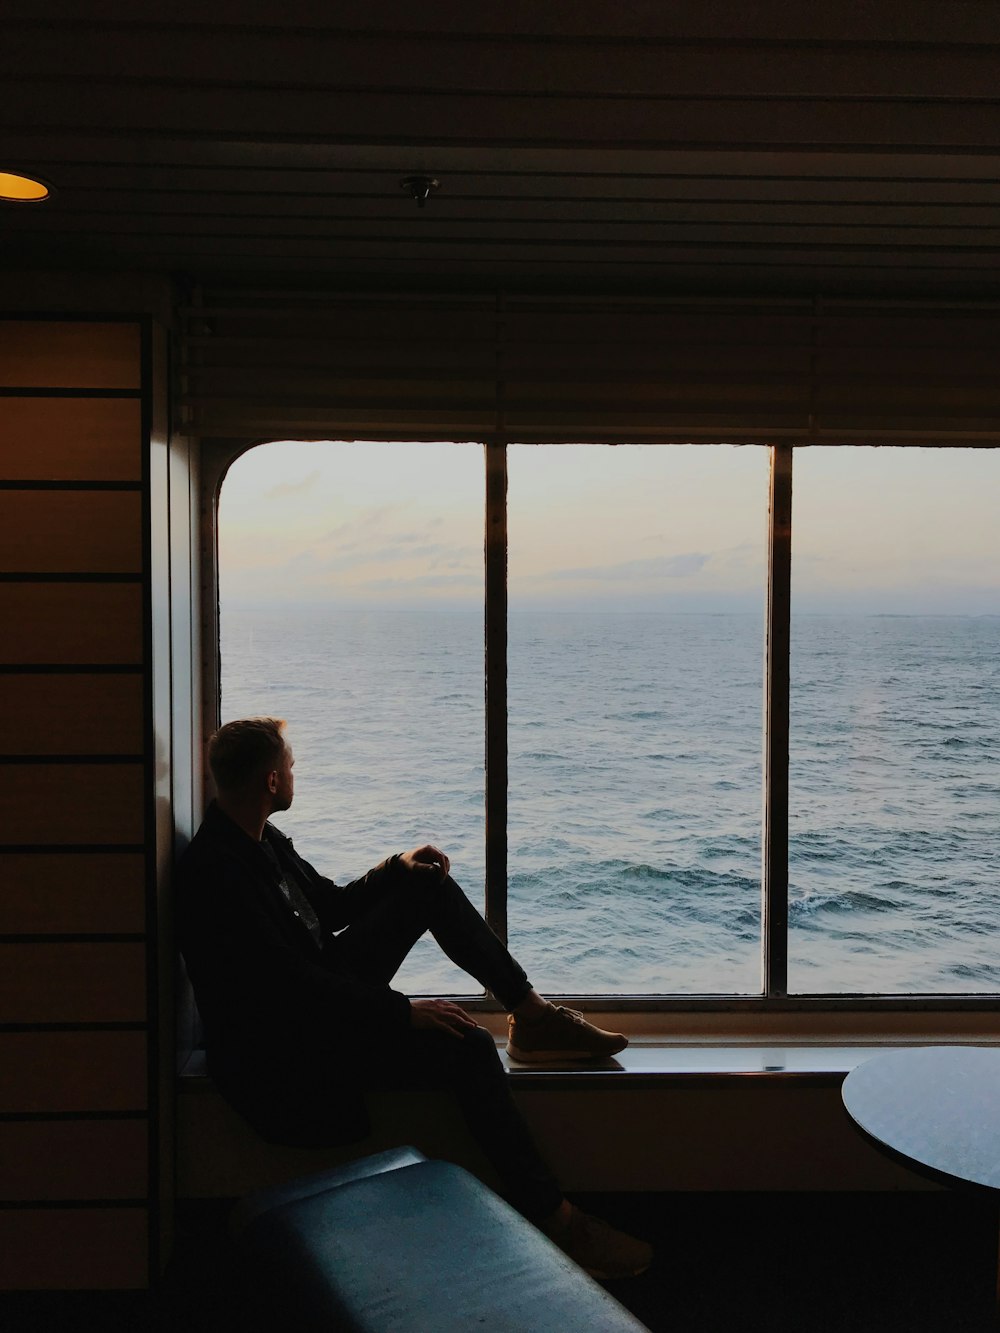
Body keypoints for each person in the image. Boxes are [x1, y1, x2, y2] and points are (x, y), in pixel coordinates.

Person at [176, 716, 652, 1280]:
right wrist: (402, 1011)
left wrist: (397, 865)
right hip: (287, 1050)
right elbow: (289, 989)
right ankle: (557, 1218)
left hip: (318, 1000)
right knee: (470, 1045)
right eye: (291, 764)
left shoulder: (255, 838)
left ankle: (532, 1014)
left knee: (425, 882)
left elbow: (329, 906)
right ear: (272, 782)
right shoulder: (217, 873)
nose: (295, 770)